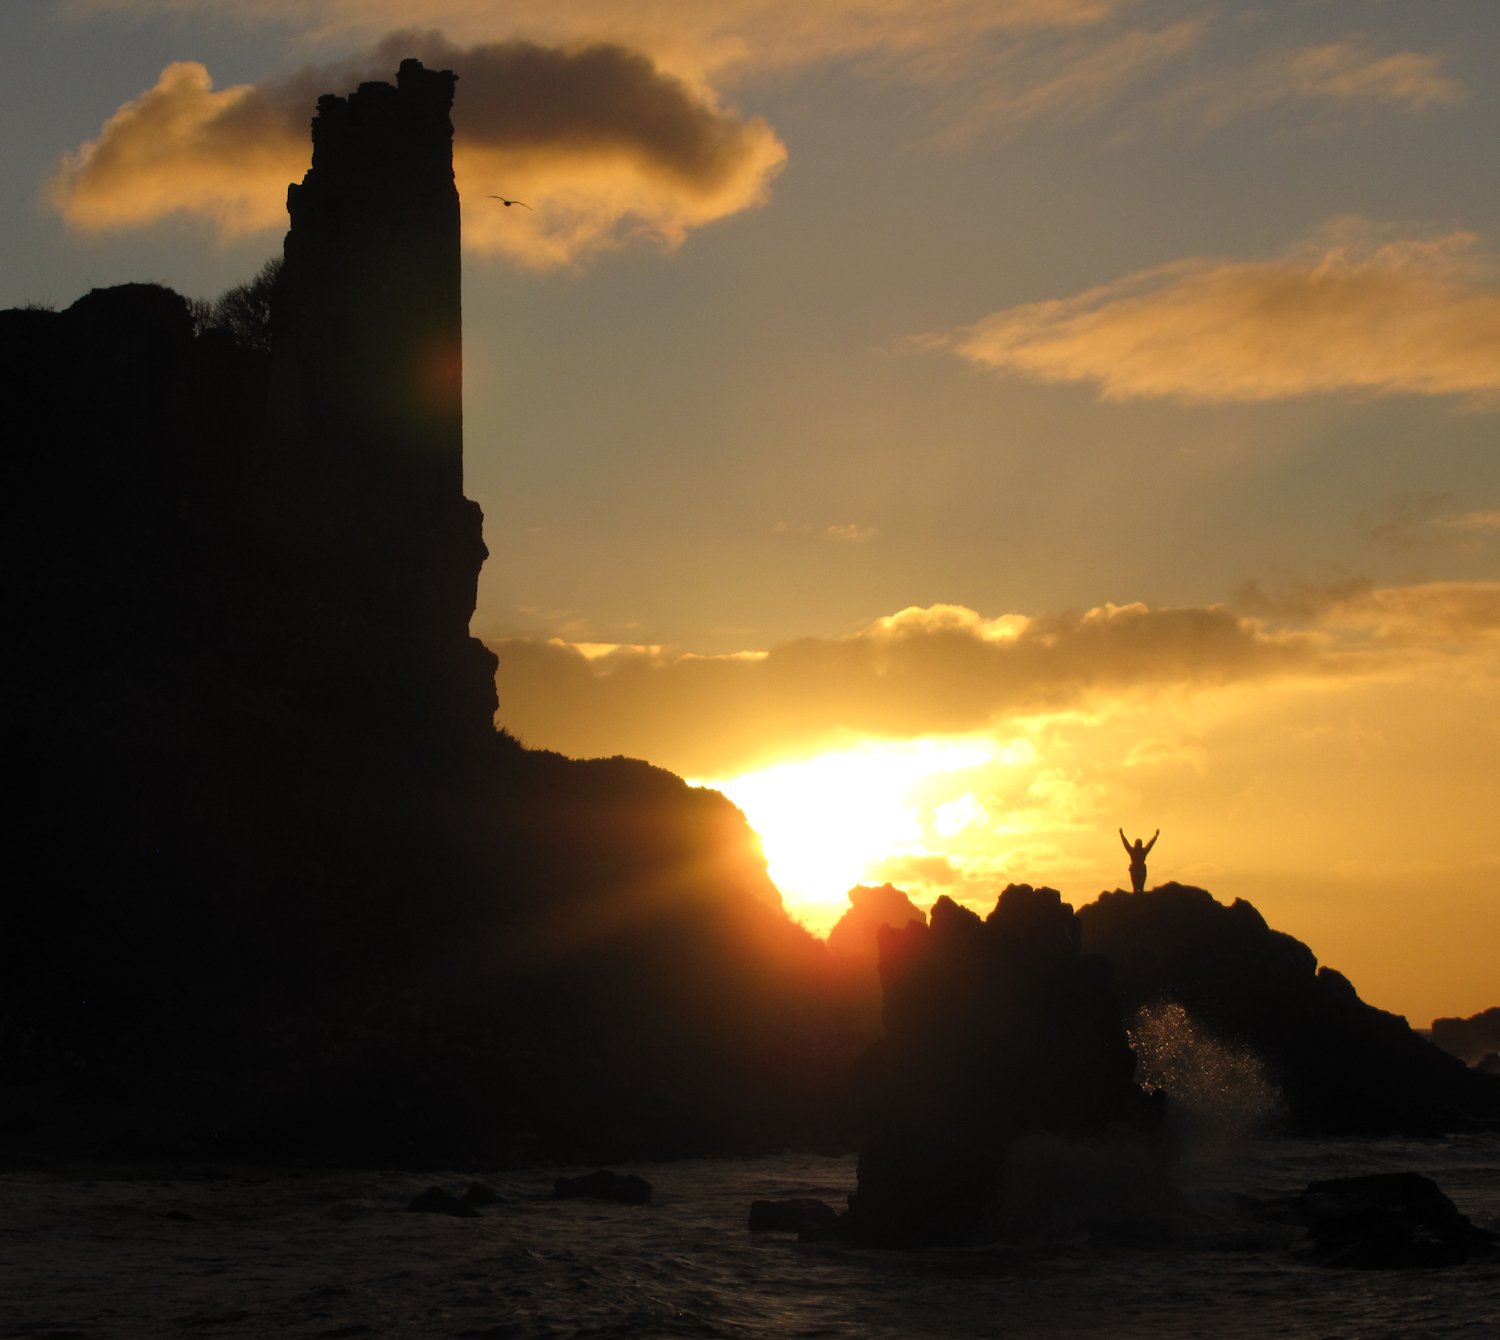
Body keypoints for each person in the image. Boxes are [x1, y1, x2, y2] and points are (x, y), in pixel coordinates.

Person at [1119, 828, 1158, 893]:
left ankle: (1137, 892)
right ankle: (1140, 892)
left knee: (1136, 885)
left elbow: (1126, 844)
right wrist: (1155, 836)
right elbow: (1150, 844)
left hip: (1135, 868)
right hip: (1140, 868)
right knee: (1140, 886)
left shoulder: (1133, 851)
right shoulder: (1143, 851)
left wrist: (1122, 835)